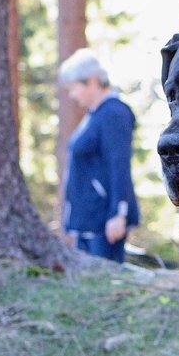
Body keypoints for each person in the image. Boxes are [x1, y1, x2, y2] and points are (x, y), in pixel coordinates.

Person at [58, 49, 140, 262]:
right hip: (88, 220)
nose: (72, 95)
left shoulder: (113, 113)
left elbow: (119, 164)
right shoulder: (95, 115)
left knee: (108, 287)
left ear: (92, 81)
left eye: (74, 87)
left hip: (104, 221)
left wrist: (118, 214)